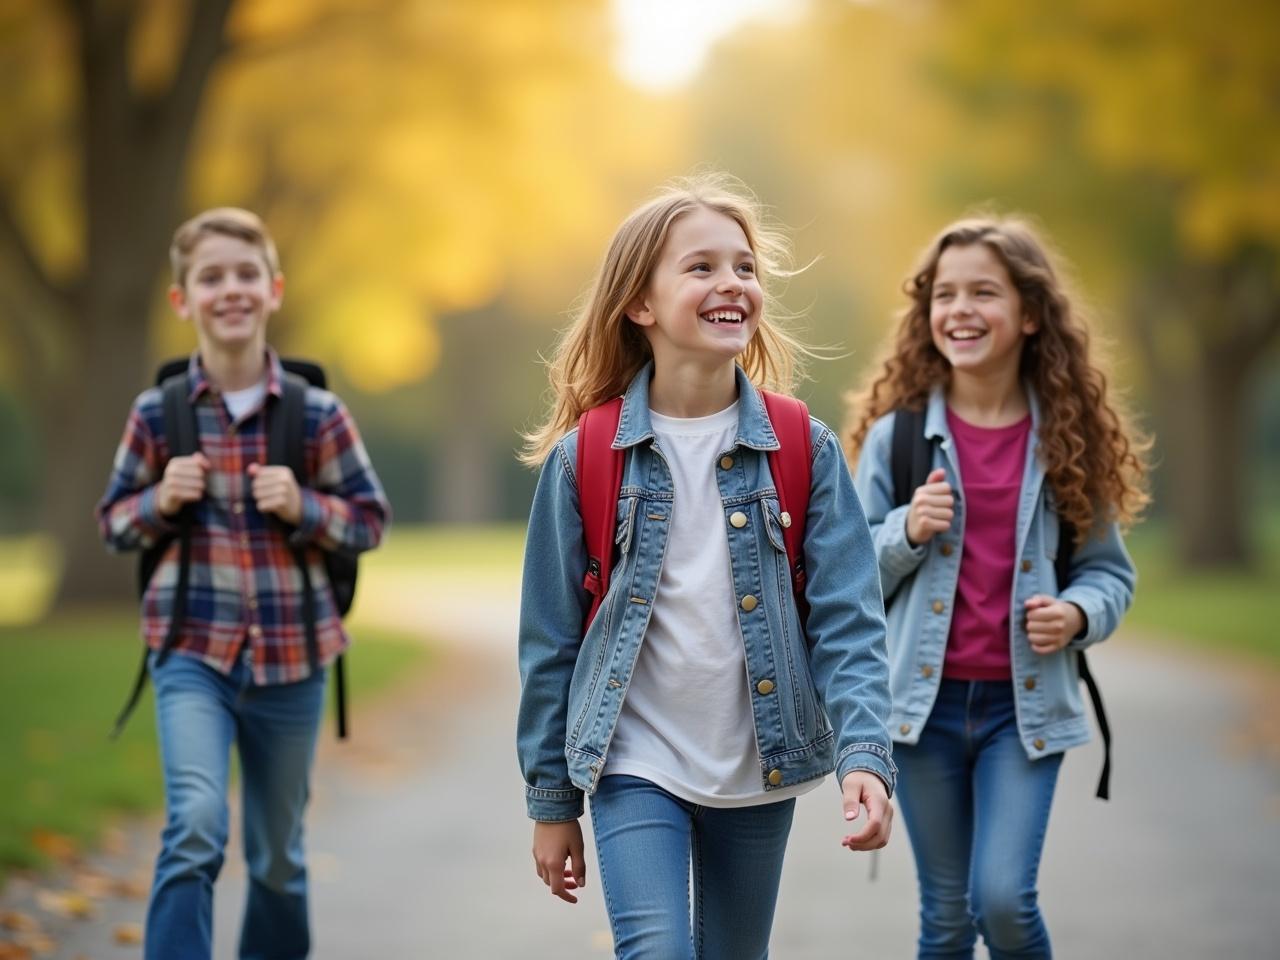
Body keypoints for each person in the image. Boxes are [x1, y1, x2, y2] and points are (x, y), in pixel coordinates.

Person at [516, 173, 895, 959]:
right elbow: (550, 642)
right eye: (702, 267)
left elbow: (849, 623)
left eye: (745, 267)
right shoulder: (585, 457)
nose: (733, 282)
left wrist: (865, 755)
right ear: (640, 304)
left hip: (760, 765)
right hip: (634, 759)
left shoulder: (803, 448)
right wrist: (553, 800)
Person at [845, 216, 1149, 959]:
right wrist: (906, 532)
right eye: (944, 294)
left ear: (1031, 314)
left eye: (985, 291)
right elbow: (845, 582)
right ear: (928, 315)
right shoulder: (900, 437)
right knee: (946, 920)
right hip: (923, 712)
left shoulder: (1067, 438)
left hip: (1025, 710)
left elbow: (1109, 571)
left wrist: (1078, 613)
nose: (960, 309)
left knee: (1003, 901)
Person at [96, 207, 390, 960]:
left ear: (274, 289)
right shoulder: (157, 416)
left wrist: (308, 506)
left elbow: (370, 520)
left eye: (245, 274)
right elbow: (114, 524)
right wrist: (160, 498)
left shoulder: (316, 414)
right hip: (191, 651)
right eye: (211, 277)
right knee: (194, 822)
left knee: (278, 856)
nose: (230, 289)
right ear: (182, 300)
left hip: (294, 661)